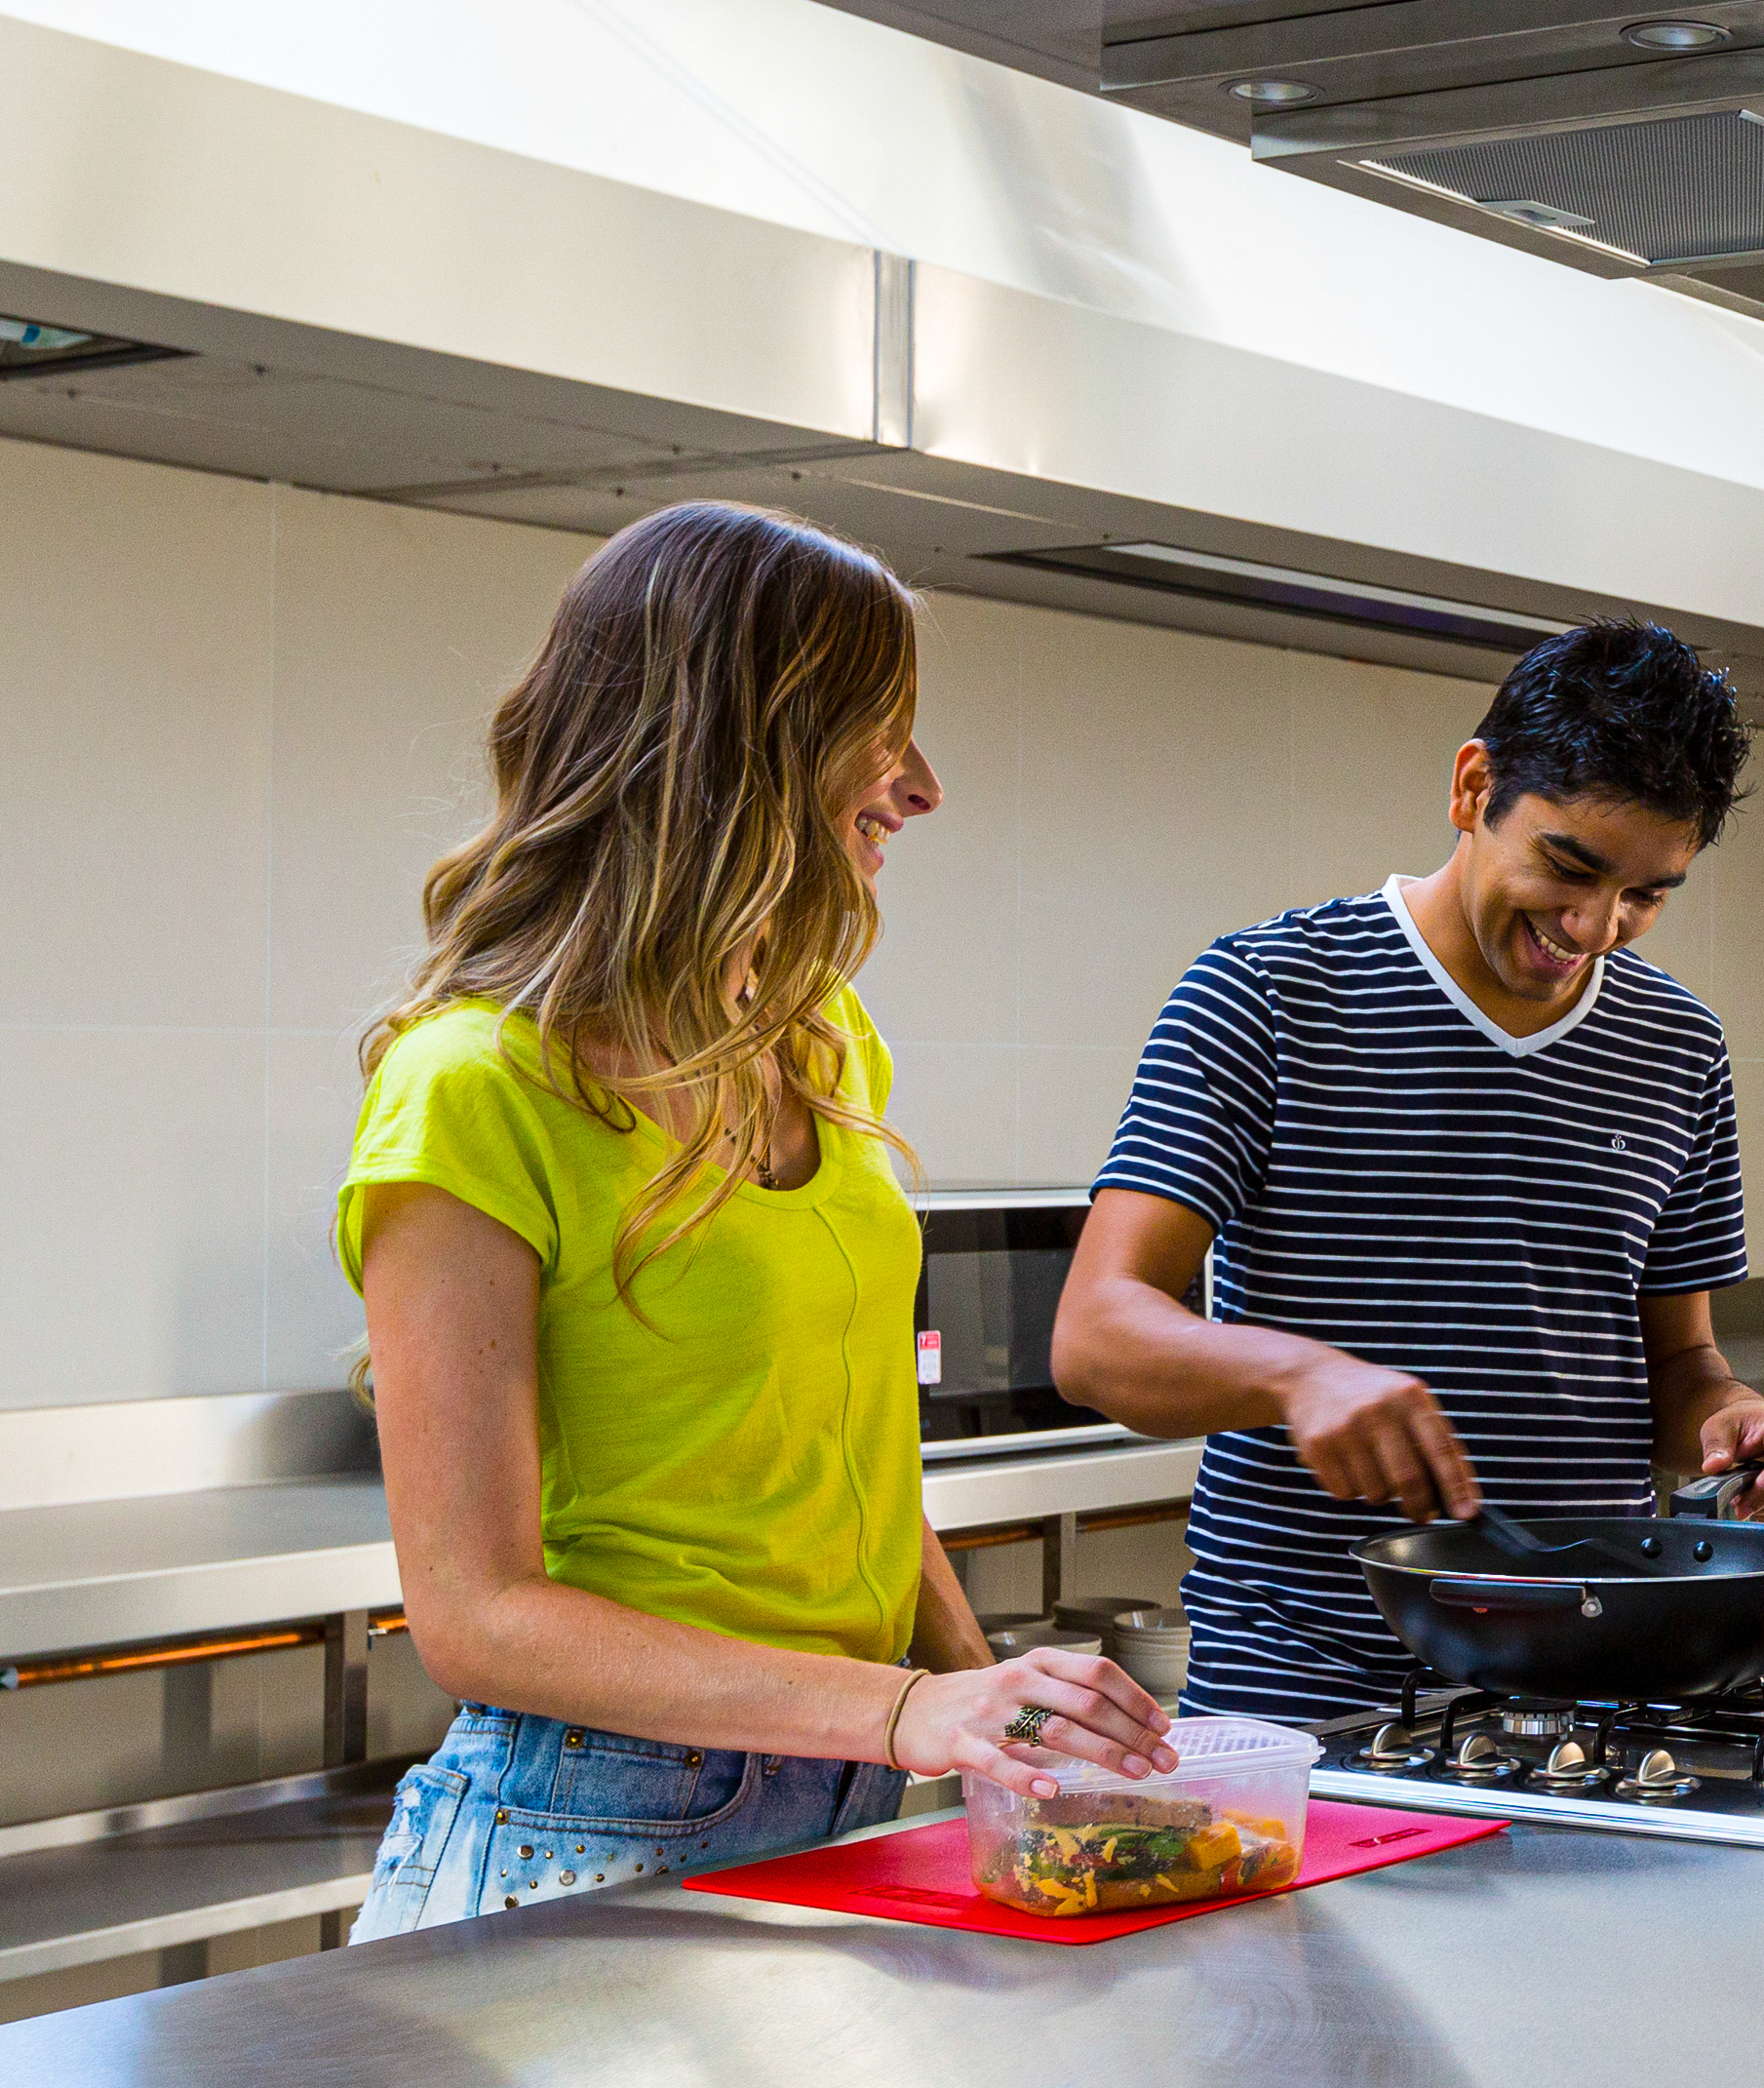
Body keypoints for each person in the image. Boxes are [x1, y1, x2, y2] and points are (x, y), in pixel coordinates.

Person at [344, 501, 1171, 1938]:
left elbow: (842, 1445)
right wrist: (916, 1707)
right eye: (882, 729)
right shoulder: (474, 1085)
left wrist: (992, 1716)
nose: (920, 784)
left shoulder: (820, 1038)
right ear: (742, 743)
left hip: (845, 1783)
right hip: (587, 1820)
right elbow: (472, 1615)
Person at [1050, 620, 1764, 1717]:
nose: (1594, 926)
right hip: (1306, 1694)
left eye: (1648, 894)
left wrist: (1735, 1417)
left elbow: (1679, 1361)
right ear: (1474, 787)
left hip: (1590, 1696)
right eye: (1569, 865)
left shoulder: (1678, 1047)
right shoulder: (1267, 993)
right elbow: (1095, 1337)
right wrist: (1297, 1375)